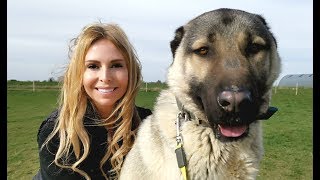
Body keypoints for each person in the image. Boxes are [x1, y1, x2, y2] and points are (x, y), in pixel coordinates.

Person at [33, 22, 152, 180]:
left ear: (130, 71)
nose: (105, 77)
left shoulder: (147, 124)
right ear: (79, 73)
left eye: (116, 65)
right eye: (93, 66)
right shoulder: (57, 133)